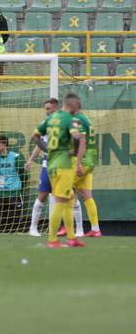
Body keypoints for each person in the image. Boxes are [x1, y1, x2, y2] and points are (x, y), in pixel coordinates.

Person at [33, 94, 86, 248]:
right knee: (61, 201)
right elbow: (76, 137)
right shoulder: (70, 119)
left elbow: (35, 136)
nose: (78, 111)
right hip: (64, 164)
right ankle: (52, 239)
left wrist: (47, 149)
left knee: (69, 199)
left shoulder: (50, 119)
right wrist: (74, 152)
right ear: (73, 105)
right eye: (77, 108)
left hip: (51, 164)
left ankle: (71, 237)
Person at [68, 93, 101, 238]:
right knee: (86, 195)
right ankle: (95, 229)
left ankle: (67, 228)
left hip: (83, 160)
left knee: (61, 190)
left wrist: (79, 162)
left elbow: (82, 141)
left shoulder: (78, 119)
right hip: (91, 160)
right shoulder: (86, 118)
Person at [25, 98, 60, 236]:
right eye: (45, 109)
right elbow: (38, 143)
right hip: (47, 166)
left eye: (48, 108)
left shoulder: (65, 123)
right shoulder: (44, 124)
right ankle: (33, 228)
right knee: (42, 196)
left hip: (63, 166)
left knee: (68, 197)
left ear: (55, 109)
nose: (46, 111)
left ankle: (79, 229)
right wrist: (30, 160)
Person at [0, 136, 25, 232]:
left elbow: (23, 173)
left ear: (4, 145)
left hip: (14, 192)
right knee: (2, 219)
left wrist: (18, 186)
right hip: (1, 192)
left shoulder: (15, 157)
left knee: (16, 219)